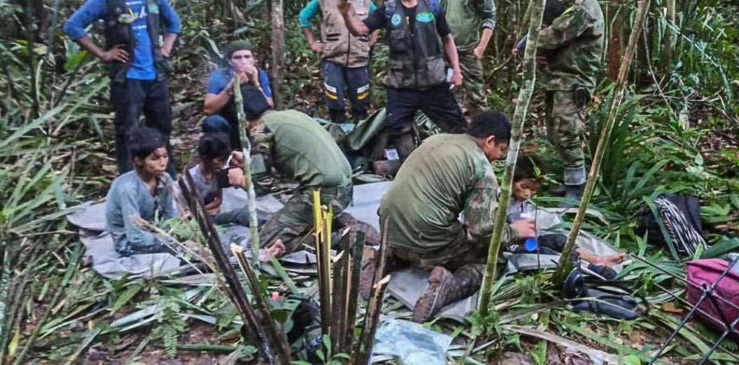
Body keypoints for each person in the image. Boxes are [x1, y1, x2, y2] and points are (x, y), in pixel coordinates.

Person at [375, 110, 537, 322]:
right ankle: (448, 287)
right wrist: (515, 230)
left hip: (388, 227)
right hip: (426, 238)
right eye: (501, 149)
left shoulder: (436, 139)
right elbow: (481, 230)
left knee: (424, 227)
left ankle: (387, 258)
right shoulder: (480, 167)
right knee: (492, 262)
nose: (498, 157)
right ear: (490, 141)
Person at [64, 0, 181, 176]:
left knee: (162, 128)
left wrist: (166, 49)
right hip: (127, 78)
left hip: (156, 75)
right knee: (127, 131)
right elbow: (73, 26)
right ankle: (130, 179)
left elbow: (174, 24)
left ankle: (168, 177)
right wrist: (103, 54)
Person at [338, 0, 467, 158]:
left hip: (433, 82)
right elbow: (359, 30)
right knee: (398, 128)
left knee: (457, 127)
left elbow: (447, 39)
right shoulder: (387, 10)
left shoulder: (433, 6)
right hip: (401, 85)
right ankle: (412, 167)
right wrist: (345, 13)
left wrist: (456, 71)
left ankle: (462, 164)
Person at [225, 95, 378, 253]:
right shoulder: (290, 115)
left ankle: (340, 238)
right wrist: (250, 163)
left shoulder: (261, 130)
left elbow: (261, 187)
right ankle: (336, 221)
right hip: (342, 187)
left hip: (323, 192)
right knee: (283, 224)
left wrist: (241, 180)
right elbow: (288, 164)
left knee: (265, 243)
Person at [533, 0, 605, 204]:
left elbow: (551, 37)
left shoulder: (583, 10)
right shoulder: (573, 5)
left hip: (573, 82)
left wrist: (527, 43)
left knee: (567, 133)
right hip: (560, 79)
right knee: (555, 132)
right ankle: (569, 182)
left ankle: (577, 189)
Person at [299, 0, 379, 123]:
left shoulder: (364, 0)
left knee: (361, 103)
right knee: (335, 102)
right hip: (333, 59)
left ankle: (360, 139)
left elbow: (377, 20)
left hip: (358, 60)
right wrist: (312, 42)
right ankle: (337, 137)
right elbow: (304, 17)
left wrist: (371, 42)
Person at [507, 165, 625, 273]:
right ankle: (588, 268)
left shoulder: (524, 203)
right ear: (511, 181)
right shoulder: (500, 202)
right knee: (546, 253)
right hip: (510, 247)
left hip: (526, 242)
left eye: (532, 190)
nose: (528, 194)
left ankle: (596, 260)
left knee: (559, 240)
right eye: (524, 187)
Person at [431, 0, 497, 119]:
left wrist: (481, 48)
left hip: (468, 51)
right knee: (446, 97)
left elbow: (490, 16)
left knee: (477, 98)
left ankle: (484, 138)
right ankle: (453, 136)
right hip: (444, 52)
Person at [105, 127, 178, 256]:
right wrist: (167, 240)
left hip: (157, 232)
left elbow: (171, 216)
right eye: (155, 159)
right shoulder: (128, 188)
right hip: (128, 241)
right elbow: (135, 236)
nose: (163, 163)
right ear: (139, 160)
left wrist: (174, 232)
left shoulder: (165, 179)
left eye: (165, 157)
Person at [203, 40, 273, 148]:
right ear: (230, 61)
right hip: (230, 123)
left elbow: (270, 105)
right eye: (237, 57)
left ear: (253, 59)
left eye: (247, 57)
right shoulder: (220, 76)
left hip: (256, 123)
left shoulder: (260, 74)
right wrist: (230, 87)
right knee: (213, 122)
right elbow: (208, 109)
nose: (243, 61)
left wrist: (256, 83)